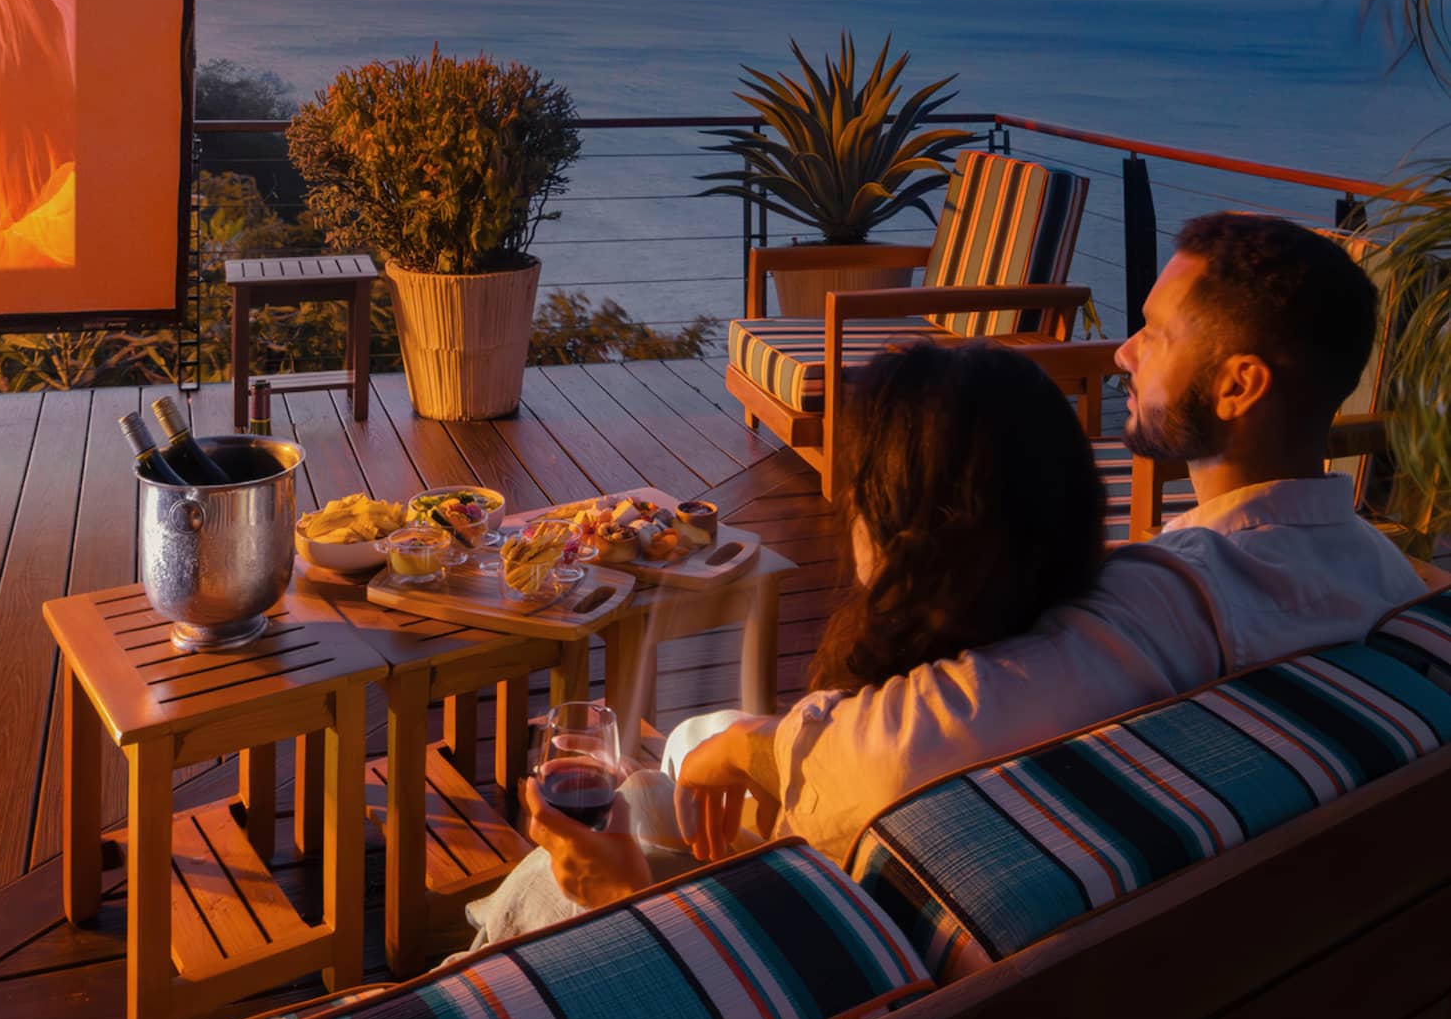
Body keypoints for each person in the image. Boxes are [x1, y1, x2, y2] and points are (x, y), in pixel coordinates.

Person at [510, 213, 1432, 920]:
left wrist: (755, 743)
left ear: (1238, 383)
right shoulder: (1388, 584)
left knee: (600, 828)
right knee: (678, 754)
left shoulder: (1177, 602)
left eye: (1154, 333)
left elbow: (902, 745)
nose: (1123, 352)